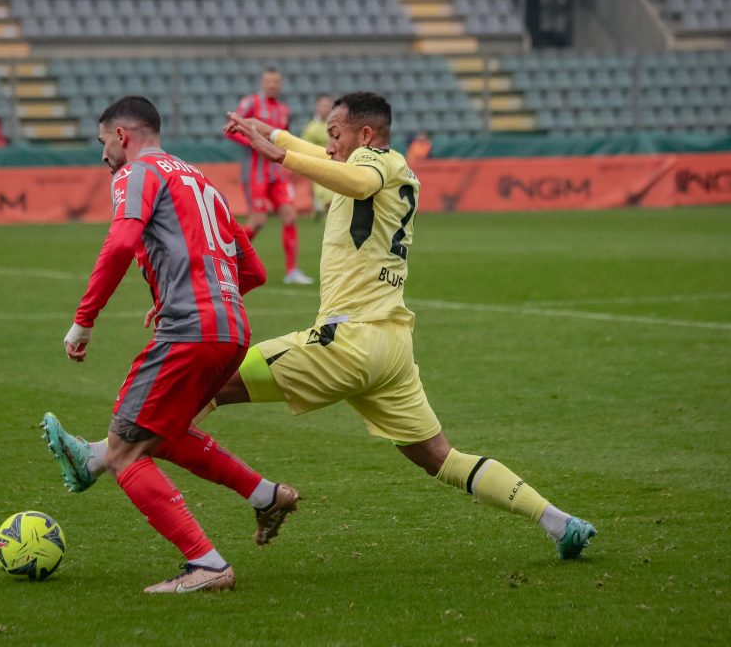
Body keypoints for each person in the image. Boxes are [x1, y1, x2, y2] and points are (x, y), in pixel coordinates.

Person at [203, 92, 597, 561]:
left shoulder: (375, 163)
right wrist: (273, 135)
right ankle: (560, 522)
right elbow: (334, 166)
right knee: (442, 459)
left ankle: (113, 456)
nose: (328, 145)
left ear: (365, 135)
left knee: (207, 380)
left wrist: (280, 154)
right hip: (391, 349)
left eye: (334, 134)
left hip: (348, 340)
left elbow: (354, 177)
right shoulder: (391, 168)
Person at [40, 96, 299, 594]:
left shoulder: (136, 173)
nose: (103, 158)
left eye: (102, 145)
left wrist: (84, 321)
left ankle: (206, 564)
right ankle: (266, 495)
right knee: (164, 432)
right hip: (231, 330)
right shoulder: (204, 182)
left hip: (191, 329)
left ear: (122, 136)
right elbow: (256, 272)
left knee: (127, 454)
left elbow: (119, 243)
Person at [225, 67, 313, 285]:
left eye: (276, 82)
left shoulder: (284, 109)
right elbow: (229, 130)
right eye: (269, 82)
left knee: (290, 216)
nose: (273, 85)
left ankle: (292, 271)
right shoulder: (251, 103)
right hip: (257, 172)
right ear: (263, 83)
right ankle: (227, 261)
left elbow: (285, 138)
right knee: (258, 221)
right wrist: (255, 144)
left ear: (280, 84)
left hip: (278, 173)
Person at [300, 93, 333, 218]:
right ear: (317, 108)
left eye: (328, 105)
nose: (325, 108)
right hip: (320, 171)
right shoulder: (311, 128)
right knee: (329, 204)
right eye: (322, 105)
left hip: (337, 168)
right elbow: (303, 149)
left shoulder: (339, 126)